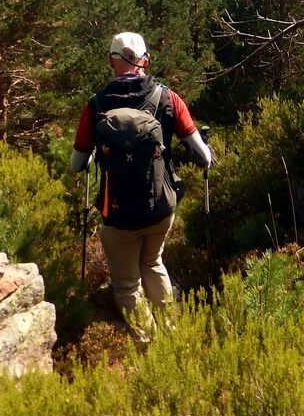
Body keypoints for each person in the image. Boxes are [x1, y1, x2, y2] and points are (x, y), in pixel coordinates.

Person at [70, 31, 212, 334]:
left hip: (118, 213)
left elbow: (75, 163)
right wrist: (204, 156)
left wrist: (98, 152)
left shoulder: (96, 105)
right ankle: (172, 333)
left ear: (111, 61)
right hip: (160, 208)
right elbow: (202, 154)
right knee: (152, 261)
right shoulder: (167, 98)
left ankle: (147, 343)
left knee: (126, 282)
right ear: (144, 60)